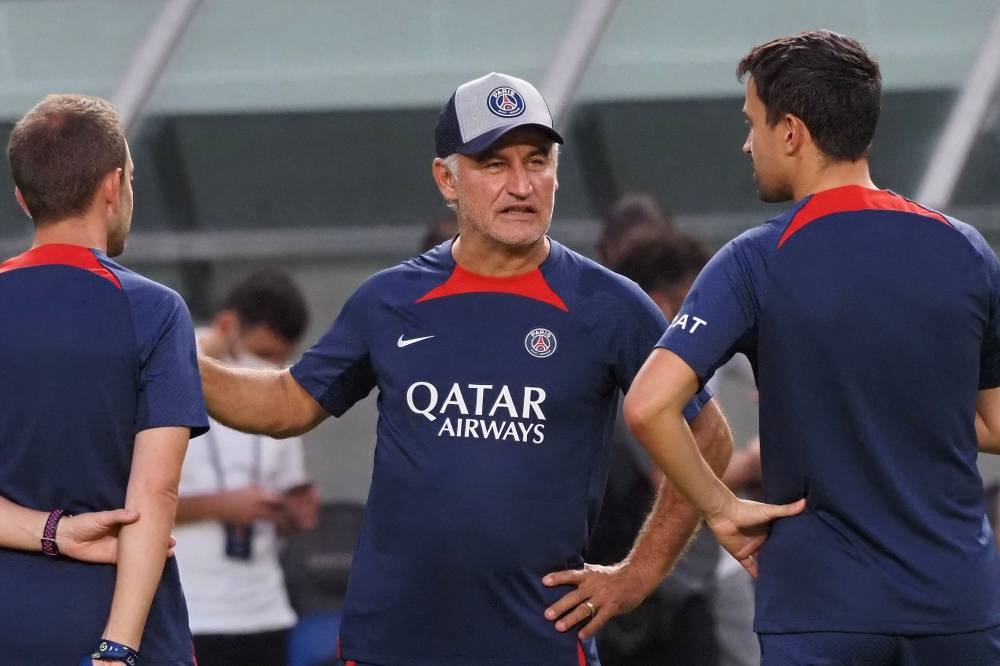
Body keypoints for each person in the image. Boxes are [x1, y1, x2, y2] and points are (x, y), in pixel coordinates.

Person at [199, 72, 733, 666]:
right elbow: (285, 404)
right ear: (446, 179)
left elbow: (708, 436)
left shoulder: (608, 304)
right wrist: (173, 358)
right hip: (390, 643)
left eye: (537, 160)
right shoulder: (390, 300)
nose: (522, 185)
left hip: (537, 644)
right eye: (494, 164)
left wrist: (636, 575)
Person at [623, 30, 1000, 665]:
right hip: (957, 605)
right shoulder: (965, 249)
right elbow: (995, 425)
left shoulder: (755, 260)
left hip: (822, 609)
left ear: (791, 132)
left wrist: (720, 508)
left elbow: (648, 406)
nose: (748, 143)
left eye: (752, 123)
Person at [0, 94, 208, 664]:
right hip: (127, 625)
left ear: (23, 198)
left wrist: (51, 531)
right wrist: (118, 647)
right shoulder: (156, 311)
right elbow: (154, 494)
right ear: (114, 185)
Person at [587, 228, 721, 665]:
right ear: (662, 308)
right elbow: (671, 471)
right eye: (696, 308)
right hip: (654, 611)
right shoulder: (641, 384)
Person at [174, 269, 318, 666]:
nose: (272, 368)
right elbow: (127, 504)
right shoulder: (164, 373)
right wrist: (220, 506)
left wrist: (293, 512)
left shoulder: (280, 394)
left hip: (266, 610)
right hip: (190, 612)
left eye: (282, 358)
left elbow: (287, 507)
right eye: (265, 353)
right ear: (227, 326)